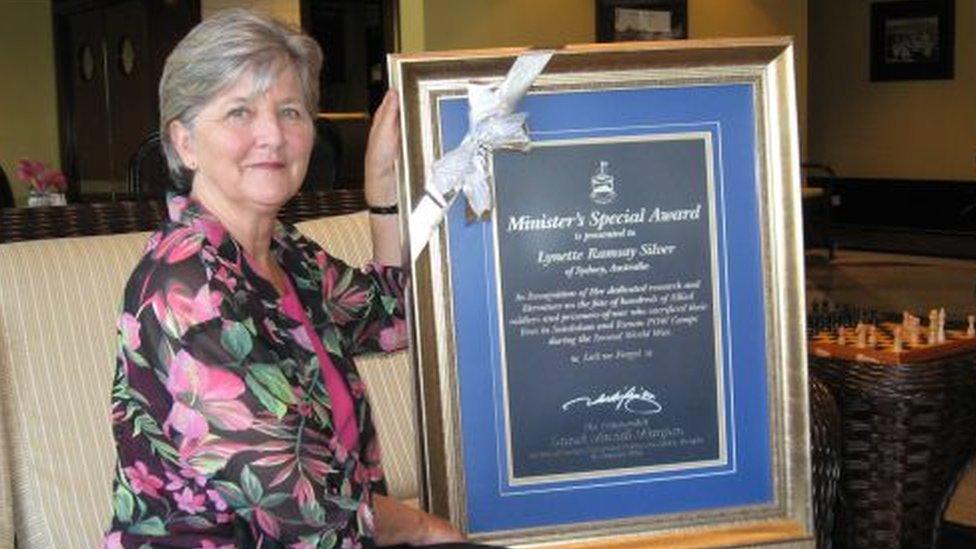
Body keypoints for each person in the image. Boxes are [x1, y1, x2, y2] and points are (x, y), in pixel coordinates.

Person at [103, 9, 463, 548]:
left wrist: (383, 187)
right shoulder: (183, 289)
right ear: (184, 143)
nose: (272, 134)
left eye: (290, 111)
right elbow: (302, 507)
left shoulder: (283, 252)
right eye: (239, 112)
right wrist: (426, 529)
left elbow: (397, 316)